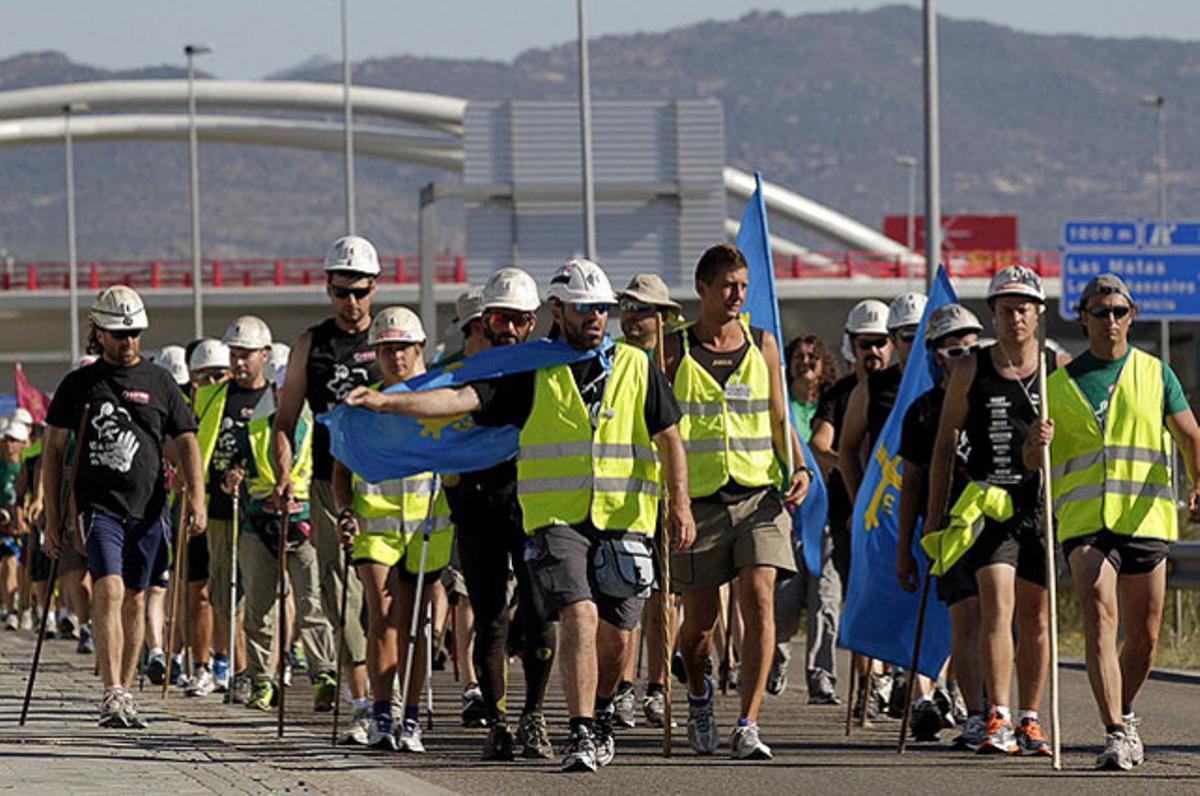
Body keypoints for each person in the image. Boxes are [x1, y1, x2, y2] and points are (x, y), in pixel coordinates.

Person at [346, 258, 695, 773]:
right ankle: (576, 730)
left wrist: (680, 504)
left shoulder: (635, 365)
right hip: (554, 518)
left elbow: (670, 438)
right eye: (584, 308)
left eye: (602, 308)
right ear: (559, 310)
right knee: (575, 611)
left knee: (617, 632)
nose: (596, 317)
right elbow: (463, 398)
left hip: (624, 520)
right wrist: (389, 403)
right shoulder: (533, 369)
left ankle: (598, 714)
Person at [1025, 273, 1200, 771]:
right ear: (1083, 317)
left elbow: (1190, 435)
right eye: (1099, 312)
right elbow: (1031, 462)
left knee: (1144, 637)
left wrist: (1198, 483)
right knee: (1099, 614)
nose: (1110, 320)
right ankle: (1116, 732)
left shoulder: (1155, 373)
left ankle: (1124, 709)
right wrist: (1033, 444)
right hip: (1085, 525)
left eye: (1119, 311)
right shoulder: (1055, 384)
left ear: (1132, 315)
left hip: (1145, 521)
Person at [663, 243, 811, 761]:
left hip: (758, 496)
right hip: (698, 503)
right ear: (702, 288)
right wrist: (670, 498)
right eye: (727, 286)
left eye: (743, 287)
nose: (737, 296)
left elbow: (778, 416)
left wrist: (797, 465)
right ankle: (700, 696)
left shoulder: (763, 343)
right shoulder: (673, 349)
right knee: (698, 627)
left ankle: (748, 722)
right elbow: (658, 428)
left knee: (760, 598)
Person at [43, 286, 205, 728]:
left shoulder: (160, 382)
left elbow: (187, 441)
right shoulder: (80, 384)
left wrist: (198, 497)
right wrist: (54, 518)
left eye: (134, 332)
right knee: (109, 589)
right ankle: (111, 690)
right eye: (118, 333)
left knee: (136, 598)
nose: (128, 341)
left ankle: (127, 691)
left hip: (150, 508)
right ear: (98, 333)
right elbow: (54, 451)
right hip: (99, 507)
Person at [433, 268, 560, 761]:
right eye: (499, 319)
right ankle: (499, 724)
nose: (508, 329)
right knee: (488, 620)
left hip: (531, 505)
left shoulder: (549, 369)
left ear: (533, 322)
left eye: (519, 320)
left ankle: (534, 717)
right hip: (475, 506)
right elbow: (431, 411)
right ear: (483, 320)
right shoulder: (456, 370)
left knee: (538, 614)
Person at [927, 266, 1054, 757]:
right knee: (995, 604)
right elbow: (944, 444)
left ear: (1038, 314)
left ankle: (1031, 718)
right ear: (994, 315)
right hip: (986, 502)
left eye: (1023, 309)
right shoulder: (970, 369)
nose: (1015, 318)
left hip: (1037, 506)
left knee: (1036, 616)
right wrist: (938, 510)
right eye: (1005, 310)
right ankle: (997, 712)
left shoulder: (1053, 367)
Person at [273, 235, 383, 743]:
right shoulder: (310, 345)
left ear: (374, 287)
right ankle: (362, 702)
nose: (352, 302)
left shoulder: (391, 339)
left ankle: (390, 697)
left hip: (386, 481)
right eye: (342, 292)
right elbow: (285, 418)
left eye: (360, 291)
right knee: (341, 588)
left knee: (384, 592)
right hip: (325, 483)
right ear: (328, 288)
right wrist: (282, 471)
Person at [333, 306, 455, 752]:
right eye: (385, 349)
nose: (395, 356)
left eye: (403, 347)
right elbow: (340, 472)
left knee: (415, 625)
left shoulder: (442, 399)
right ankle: (382, 715)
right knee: (382, 618)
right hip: (376, 525)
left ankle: (411, 718)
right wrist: (346, 511)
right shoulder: (363, 405)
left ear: (419, 349)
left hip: (427, 527)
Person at [894, 304, 985, 745]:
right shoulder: (923, 412)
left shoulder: (997, 396)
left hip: (998, 527)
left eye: (973, 347)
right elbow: (910, 485)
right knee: (966, 618)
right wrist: (905, 551)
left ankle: (1002, 710)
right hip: (949, 531)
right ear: (935, 355)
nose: (965, 356)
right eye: (955, 350)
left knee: (1000, 623)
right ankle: (979, 715)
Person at [236, 330, 338, 714]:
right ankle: (262, 680)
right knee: (260, 608)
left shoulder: (315, 422)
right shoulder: (256, 425)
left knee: (313, 602)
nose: (284, 394)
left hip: (305, 521)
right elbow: (243, 464)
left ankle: (323, 676)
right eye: (280, 388)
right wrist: (240, 479)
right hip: (260, 521)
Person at [839, 291, 927, 719]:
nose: (918, 344)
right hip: (887, 515)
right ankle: (875, 683)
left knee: (936, 603)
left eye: (925, 335)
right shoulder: (872, 388)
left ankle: (925, 693)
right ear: (894, 338)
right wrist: (861, 504)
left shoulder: (949, 382)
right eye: (909, 336)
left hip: (935, 511)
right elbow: (846, 449)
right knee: (883, 600)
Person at [189, 317, 278, 697]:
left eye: (246, 356)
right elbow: (195, 444)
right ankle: (238, 669)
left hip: (262, 508)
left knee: (259, 594)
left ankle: (259, 672)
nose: (239, 363)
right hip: (222, 509)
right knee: (225, 593)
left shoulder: (275, 398)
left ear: (265, 355)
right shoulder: (211, 398)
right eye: (234, 355)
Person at [614, 271, 684, 728]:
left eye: (644, 309)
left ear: (663, 318)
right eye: (629, 307)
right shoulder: (612, 361)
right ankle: (622, 688)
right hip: (628, 497)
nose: (634, 316)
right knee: (629, 598)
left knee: (667, 598)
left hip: (670, 496)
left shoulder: (681, 365)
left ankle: (657, 686)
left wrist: (682, 499)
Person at [769, 334, 841, 704]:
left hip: (827, 517)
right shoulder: (778, 405)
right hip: (788, 517)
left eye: (813, 355)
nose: (805, 361)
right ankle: (777, 660)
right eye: (798, 355)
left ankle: (822, 676)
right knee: (784, 603)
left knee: (825, 600)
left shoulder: (832, 406)